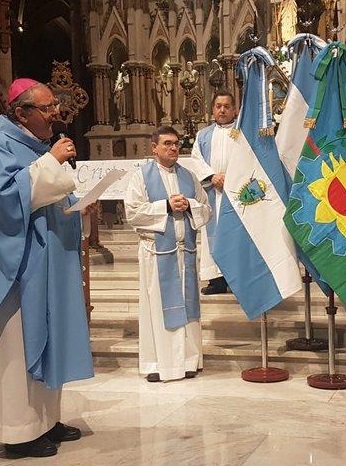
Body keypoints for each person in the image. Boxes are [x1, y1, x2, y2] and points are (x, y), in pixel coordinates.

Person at [0, 78, 94, 458]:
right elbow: (4, 202)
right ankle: (17, 430)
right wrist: (52, 162)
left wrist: (77, 207)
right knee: (17, 345)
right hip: (16, 271)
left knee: (49, 340)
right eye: (46, 108)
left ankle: (45, 420)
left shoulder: (35, 146)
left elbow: (45, 196)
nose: (54, 113)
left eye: (53, 106)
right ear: (21, 112)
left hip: (48, 265)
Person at [123, 126, 211, 382]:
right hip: (157, 254)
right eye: (167, 144)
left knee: (188, 308)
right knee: (158, 309)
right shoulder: (141, 176)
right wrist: (165, 205)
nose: (173, 148)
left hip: (186, 253)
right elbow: (133, 213)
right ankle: (157, 365)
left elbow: (206, 209)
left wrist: (190, 205)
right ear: (154, 147)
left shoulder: (189, 176)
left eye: (176, 144)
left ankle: (188, 361)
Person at [186, 90, 238, 294]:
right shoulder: (203, 135)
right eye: (218, 106)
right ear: (213, 109)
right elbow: (196, 159)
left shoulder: (242, 132)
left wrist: (232, 179)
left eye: (227, 106)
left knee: (235, 235)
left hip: (237, 192)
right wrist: (211, 176)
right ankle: (217, 280)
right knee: (212, 236)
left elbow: (250, 159)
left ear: (235, 109)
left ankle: (236, 279)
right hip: (212, 191)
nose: (222, 110)